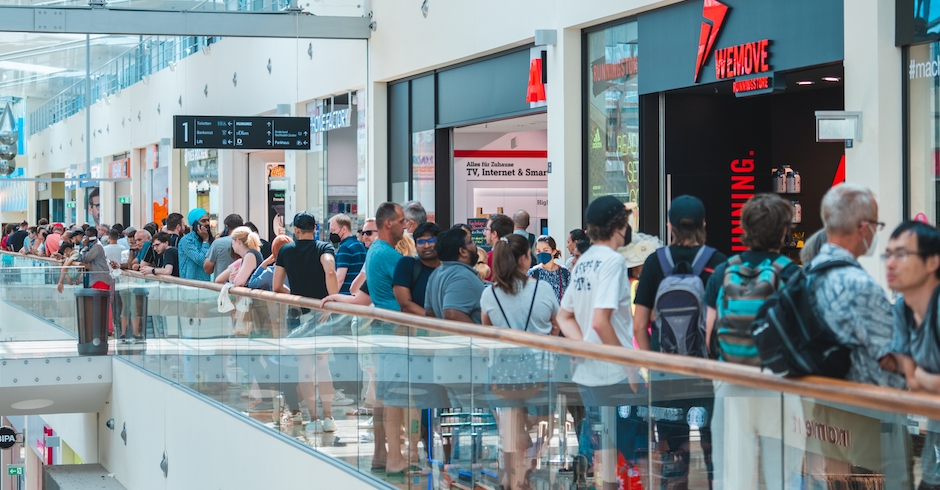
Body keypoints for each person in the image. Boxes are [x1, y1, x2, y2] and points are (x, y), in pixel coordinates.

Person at [702, 194, 802, 490]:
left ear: (744, 229)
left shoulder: (723, 272)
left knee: (734, 477)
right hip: (778, 384)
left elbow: (709, 335)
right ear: (784, 231)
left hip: (731, 383)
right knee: (782, 478)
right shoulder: (793, 274)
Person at [555, 196, 644, 489]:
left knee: (603, 447)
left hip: (588, 373)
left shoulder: (583, 262)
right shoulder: (612, 261)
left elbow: (564, 316)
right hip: (614, 374)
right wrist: (627, 365)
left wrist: (585, 347)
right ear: (618, 225)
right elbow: (600, 320)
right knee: (633, 450)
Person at [480, 233, 559, 489]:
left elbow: (486, 334)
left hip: (502, 374)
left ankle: (513, 477)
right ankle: (526, 466)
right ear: (525, 258)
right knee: (545, 426)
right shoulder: (543, 289)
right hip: (540, 373)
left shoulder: (489, 295)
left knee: (511, 427)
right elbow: (556, 325)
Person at [809, 183, 905, 388]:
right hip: (869, 408)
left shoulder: (809, 274)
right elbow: (890, 356)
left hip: (822, 401)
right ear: (863, 228)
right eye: (876, 225)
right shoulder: (860, 286)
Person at [271, 212, 339, 435]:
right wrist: (331, 300)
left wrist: (296, 295)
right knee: (323, 365)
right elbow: (330, 270)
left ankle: (314, 418)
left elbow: (277, 287)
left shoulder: (286, 251)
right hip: (322, 315)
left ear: (296, 230)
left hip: (298, 314)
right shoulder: (324, 248)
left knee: (305, 368)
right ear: (315, 229)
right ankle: (328, 417)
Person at [884, 222, 940, 489]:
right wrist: (927, 379)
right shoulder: (901, 310)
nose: (890, 264)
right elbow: (912, 382)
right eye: (888, 254)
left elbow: (917, 378)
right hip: (935, 455)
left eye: (902, 254)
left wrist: (922, 376)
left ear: (933, 262)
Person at [364, 202, 410, 475]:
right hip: (394, 331)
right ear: (389, 223)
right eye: (402, 220)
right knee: (392, 395)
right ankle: (394, 456)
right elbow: (412, 287)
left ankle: (381, 453)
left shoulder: (376, 251)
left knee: (383, 394)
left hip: (383, 330)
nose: (406, 225)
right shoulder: (389, 255)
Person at [425, 226, 486, 323]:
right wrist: (478, 336)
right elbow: (452, 314)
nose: (475, 245)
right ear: (462, 251)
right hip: (466, 338)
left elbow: (430, 313)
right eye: (470, 241)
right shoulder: (462, 277)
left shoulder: (436, 273)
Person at [393, 222, 442, 315]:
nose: (427, 246)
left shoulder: (449, 269)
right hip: (417, 327)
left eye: (431, 241)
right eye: (421, 242)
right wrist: (435, 323)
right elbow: (405, 305)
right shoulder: (407, 265)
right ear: (415, 245)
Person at [330, 213, 367, 295]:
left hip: (345, 296)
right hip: (357, 295)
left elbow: (340, 278)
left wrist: (331, 297)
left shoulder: (345, 248)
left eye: (333, 230)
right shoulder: (360, 245)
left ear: (343, 229)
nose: (331, 234)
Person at [527, 235, 570, 303]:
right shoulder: (532, 273)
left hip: (560, 313)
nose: (541, 253)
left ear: (553, 251)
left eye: (545, 250)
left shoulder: (564, 272)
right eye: (538, 251)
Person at [178, 208, 213, 281]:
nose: (207, 223)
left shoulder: (210, 239)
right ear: (195, 223)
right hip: (191, 285)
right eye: (203, 221)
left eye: (208, 220)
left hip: (207, 283)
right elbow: (201, 261)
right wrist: (205, 241)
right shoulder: (187, 240)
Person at [204, 213, 244, 278]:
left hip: (221, 285)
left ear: (226, 227)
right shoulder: (248, 242)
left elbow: (207, 269)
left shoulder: (218, 243)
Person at [483, 214, 514, 282]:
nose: (484, 233)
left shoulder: (486, 259)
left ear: (494, 234)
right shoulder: (516, 256)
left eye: (487, 229)